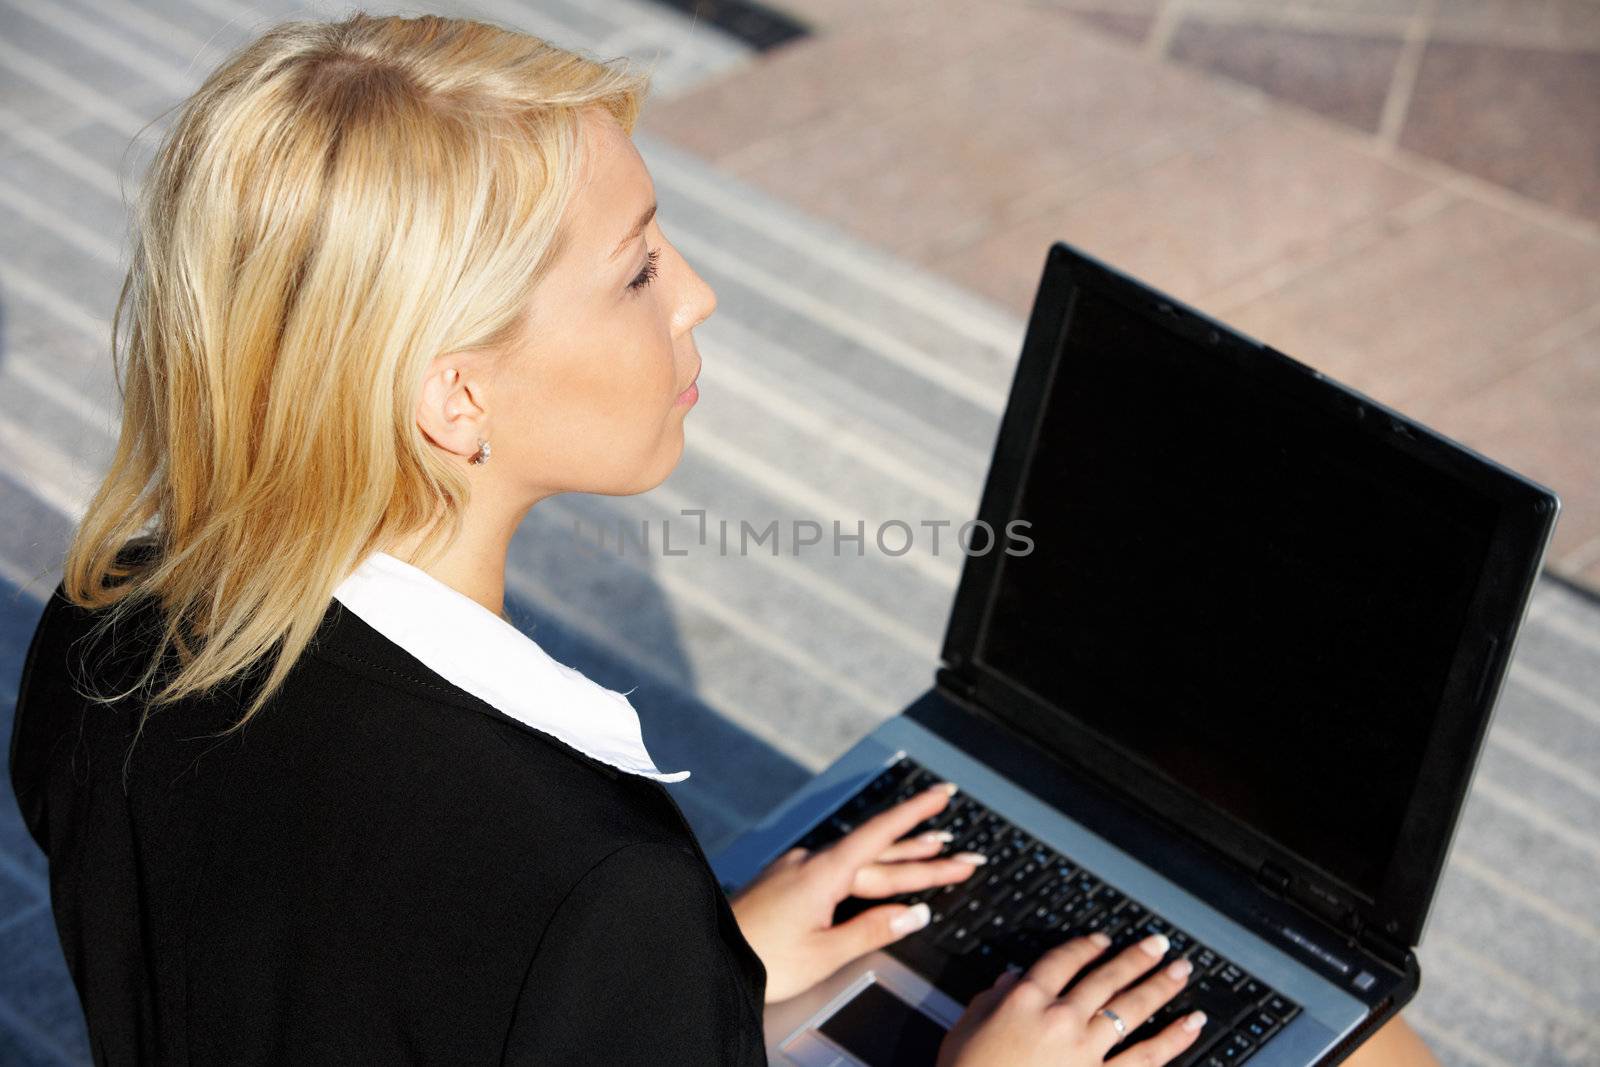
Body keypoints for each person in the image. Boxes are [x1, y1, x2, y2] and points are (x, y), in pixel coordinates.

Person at [6, 11, 1441, 1066]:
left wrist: (704, 980)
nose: (696, 297)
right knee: (1361, 1049)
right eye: (636, 268)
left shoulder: (102, 630)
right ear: (456, 397)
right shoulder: (584, 888)